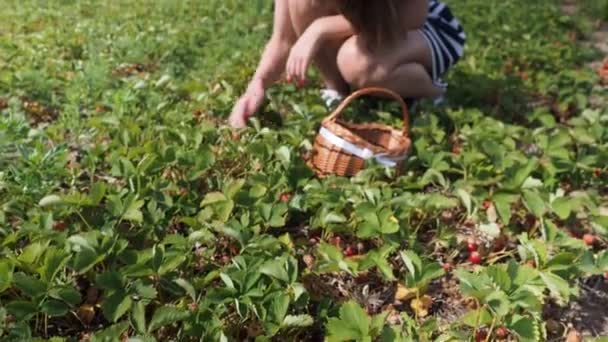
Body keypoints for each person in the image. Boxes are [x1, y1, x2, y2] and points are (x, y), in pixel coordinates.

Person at [228, 0, 466, 128]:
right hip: (369, 31)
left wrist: (320, 29)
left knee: (356, 62)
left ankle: (431, 90)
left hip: (423, 28)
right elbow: (282, 41)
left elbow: (412, 18)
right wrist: (256, 86)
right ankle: (339, 91)